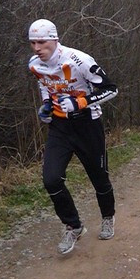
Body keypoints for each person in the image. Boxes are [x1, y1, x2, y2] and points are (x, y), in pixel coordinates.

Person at [28, 18, 118, 255]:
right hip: (59, 128)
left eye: (42, 42)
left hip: (88, 125)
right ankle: (73, 225)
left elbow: (111, 89)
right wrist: (47, 104)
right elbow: (45, 84)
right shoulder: (35, 64)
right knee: (51, 179)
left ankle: (108, 217)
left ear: (54, 40)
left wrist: (80, 102)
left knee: (99, 178)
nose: (37, 48)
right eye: (33, 42)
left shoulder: (78, 60)